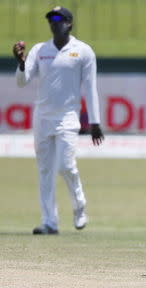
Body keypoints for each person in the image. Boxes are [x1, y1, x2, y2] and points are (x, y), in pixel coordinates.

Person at [12, 6, 104, 235]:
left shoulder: (82, 51)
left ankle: (80, 206)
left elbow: (90, 87)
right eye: (51, 19)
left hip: (68, 117)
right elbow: (22, 81)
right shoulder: (40, 50)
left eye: (59, 19)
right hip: (42, 117)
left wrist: (95, 122)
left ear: (69, 23)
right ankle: (49, 222)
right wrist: (21, 63)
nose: (54, 22)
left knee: (66, 165)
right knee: (44, 170)